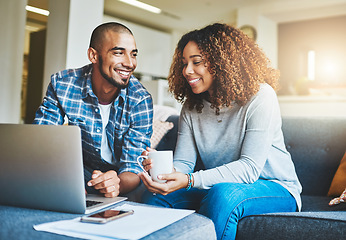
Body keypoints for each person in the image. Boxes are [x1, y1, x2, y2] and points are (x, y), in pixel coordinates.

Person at [138, 23, 302, 240]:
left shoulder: (261, 96)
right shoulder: (191, 106)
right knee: (156, 198)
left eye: (196, 62)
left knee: (224, 194)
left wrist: (189, 180)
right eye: (184, 63)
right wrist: (164, 173)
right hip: (220, 187)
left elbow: (249, 169)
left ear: (222, 63)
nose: (187, 71)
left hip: (277, 188)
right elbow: (184, 164)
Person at [33, 22, 153, 198]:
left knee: (141, 188)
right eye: (119, 53)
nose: (129, 63)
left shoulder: (140, 99)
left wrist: (115, 183)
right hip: (80, 170)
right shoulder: (63, 84)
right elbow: (42, 139)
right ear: (93, 55)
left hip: (121, 176)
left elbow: (133, 167)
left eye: (133, 54)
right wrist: (63, 177)